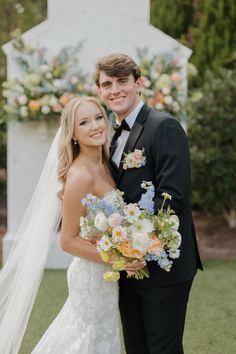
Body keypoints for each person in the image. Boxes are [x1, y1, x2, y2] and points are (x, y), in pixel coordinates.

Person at [1, 96, 145, 354]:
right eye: (84, 122)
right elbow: (67, 240)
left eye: (99, 117)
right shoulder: (80, 175)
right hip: (91, 277)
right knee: (85, 341)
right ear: (73, 134)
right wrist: (120, 258)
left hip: (106, 277)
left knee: (100, 337)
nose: (96, 126)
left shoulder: (104, 163)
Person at [95, 53, 203, 354]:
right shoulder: (111, 137)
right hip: (128, 266)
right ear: (99, 91)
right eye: (107, 84)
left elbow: (174, 196)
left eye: (122, 81)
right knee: (136, 348)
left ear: (138, 84)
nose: (114, 90)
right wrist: (120, 248)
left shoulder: (164, 127)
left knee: (162, 349)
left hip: (164, 265)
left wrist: (133, 241)